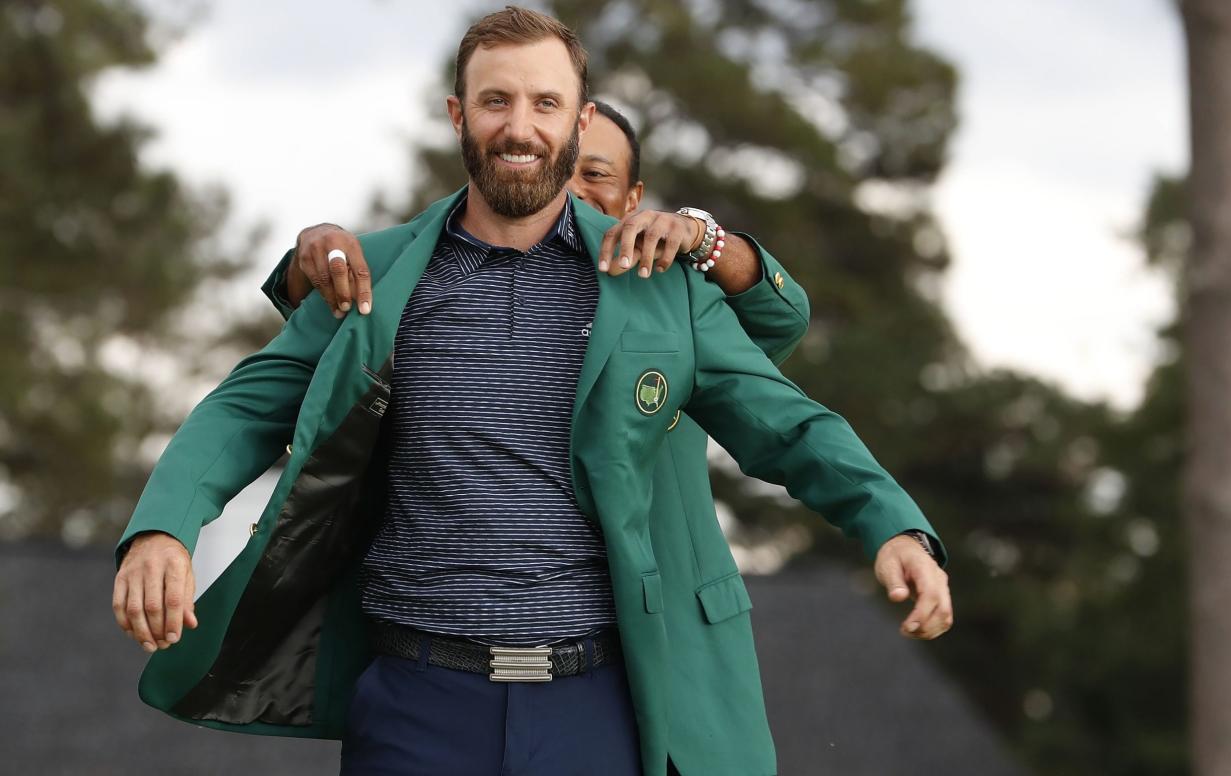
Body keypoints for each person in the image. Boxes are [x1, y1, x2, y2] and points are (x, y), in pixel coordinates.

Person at [111, 7, 952, 775]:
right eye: (496, 102)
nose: (520, 127)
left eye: (546, 105)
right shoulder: (376, 277)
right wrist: (163, 529)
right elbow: (246, 405)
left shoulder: (657, 286)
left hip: (596, 705)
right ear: (457, 115)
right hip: (415, 703)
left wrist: (892, 523)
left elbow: (788, 424)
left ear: (579, 120)